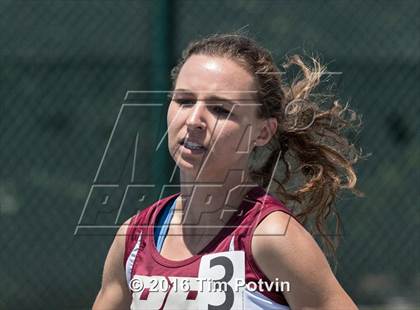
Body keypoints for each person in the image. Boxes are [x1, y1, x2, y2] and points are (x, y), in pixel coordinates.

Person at [93, 33, 360, 310]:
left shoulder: (270, 237)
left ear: (262, 132)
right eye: (184, 100)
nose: (194, 120)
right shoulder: (134, 238)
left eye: (220, 109)